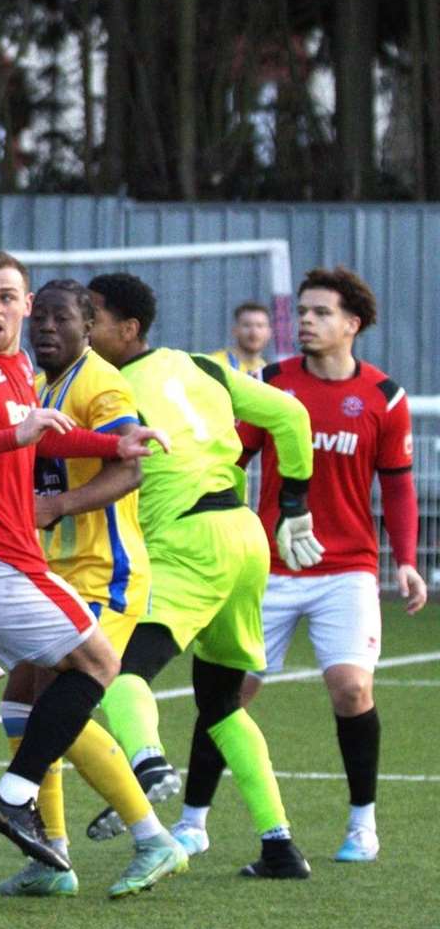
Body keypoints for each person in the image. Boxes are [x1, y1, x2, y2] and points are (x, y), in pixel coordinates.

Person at [0, 252, 168, 904]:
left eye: (7, 297)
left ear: (22, 306)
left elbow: (40, 441)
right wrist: (13, 432)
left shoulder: (17, 370)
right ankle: (17, 798)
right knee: (97, 662)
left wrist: (111, 446)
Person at [177, 267, 425, 865]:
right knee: (229, 694)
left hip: (347, 570)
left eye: (319, 312)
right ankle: (192, 822)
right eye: (303, 312)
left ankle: (361, 825)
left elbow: (397, 485)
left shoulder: (384, 398)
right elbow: (230, 457)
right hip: (267, 568)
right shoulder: (272, 384)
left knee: (351, 687)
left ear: (351, 324)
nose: (306, 322)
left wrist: (410, 561)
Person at [85, 271, 322, 879]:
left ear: (127, 328)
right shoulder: (203, 366)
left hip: (188, 541)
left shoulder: (105, 386)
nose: (82, 326)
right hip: (244, 535)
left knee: (118, 668)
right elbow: (291, 414)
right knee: (221, 703)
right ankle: (279, 845)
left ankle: (146, 765)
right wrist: (294, 502)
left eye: (93, 315)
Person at [0, 279, 188, 898]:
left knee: (52, 705)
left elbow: (131, 467)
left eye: (60, 318)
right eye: (37, 316)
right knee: (20, 704)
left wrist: (58, 505)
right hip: (59, 571)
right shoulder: (43, 387)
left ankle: (154, 839)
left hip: (105, 570)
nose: (44, 327)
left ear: (89, 326)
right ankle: (52, 855)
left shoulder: (102, 383)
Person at [208, 301, 272, 376]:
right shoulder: (216, 363)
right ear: (235, 330)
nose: (254, 332)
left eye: (260, 326)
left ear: (269, 332)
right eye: (247, 325)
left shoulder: (267, 371)